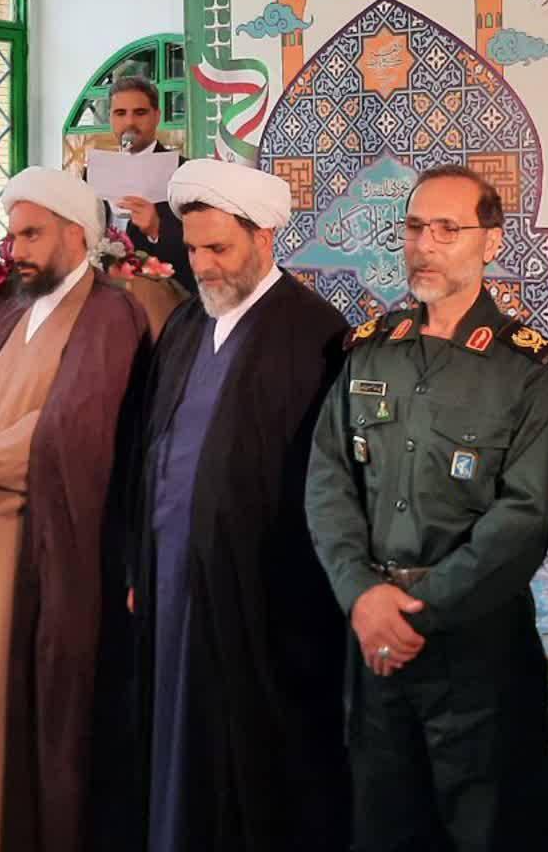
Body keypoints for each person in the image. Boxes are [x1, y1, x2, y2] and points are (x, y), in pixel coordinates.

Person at [306, 164, 548, 852]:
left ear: (491, 242)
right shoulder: (370, 351)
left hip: (474, 646)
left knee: (488, 829)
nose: (424, 244)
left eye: (447, 229)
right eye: (415, 227)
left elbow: (522, 518)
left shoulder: (526, 367)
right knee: (383, 827)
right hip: (373, 638)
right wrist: (362, 596)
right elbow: (328, 481)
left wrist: (415, 612)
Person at [122, 159, 350, 852]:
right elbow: (149, 446)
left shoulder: (314, 331)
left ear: (264, 237)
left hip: (259, 592)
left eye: (218, 248)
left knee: (247, 754)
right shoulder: (188, 322)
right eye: (193, 250)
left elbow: (328, 478)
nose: (203, 266)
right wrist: (137, 561)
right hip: (169, 574)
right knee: (170, 733)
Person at [0, 167, 150, 852]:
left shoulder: (112, 313)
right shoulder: (12, 311)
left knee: (14, 705)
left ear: (76, 234)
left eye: (30, 235)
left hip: (37, 541)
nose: (14, 249)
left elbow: (73, 424)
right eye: (12, 234)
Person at [98, 74, 196, 295]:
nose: (129, 122)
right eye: (120, 113)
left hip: (165, 299)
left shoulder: (184, 173)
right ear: (110, 118)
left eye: (140, 113)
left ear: (157, 116)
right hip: (106, 297)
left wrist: (156, 230)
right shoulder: (94, 172)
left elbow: (199, 246)